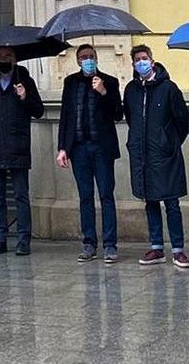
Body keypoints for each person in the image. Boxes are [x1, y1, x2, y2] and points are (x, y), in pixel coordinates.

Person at [122, 45, 189, 269]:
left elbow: (182, 121)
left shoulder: (169, 88)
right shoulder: (131, 89)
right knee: (150, 200)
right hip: (142, 154)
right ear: (133, 64)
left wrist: (168, 142)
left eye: (144, 58)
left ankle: (178, 249)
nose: (141, 62)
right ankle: (156, 246)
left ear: (152, 61)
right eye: (137, 60)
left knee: (171, 202)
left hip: (164, 154)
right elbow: (131, 118)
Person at [0, 46, 44, 257]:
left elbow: (38, 111)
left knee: (21, 196)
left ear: (14, 58)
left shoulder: (25, 80)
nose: (3, 59)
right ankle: (0, 238)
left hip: (17, 145)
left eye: (7, 56)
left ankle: (23, 239)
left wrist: (24, 97)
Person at [56, 44, 121, 263]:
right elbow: (66, 115)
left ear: (96, 58)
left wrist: (103, 92)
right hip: (79, 147)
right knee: (85, 197)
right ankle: (89, 243)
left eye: (91, 56)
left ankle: (110, 245)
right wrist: (62, 147)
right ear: (77, 61)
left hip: (102, 148)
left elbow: (118, 114)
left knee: (106, 195)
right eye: (83, 57)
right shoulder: (71, 83)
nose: (87, 60)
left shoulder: (109, 82)